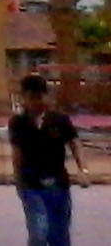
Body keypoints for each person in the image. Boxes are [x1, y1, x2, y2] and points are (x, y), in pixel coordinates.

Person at [9, 72, 89, 246]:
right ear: (24, 98)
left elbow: (74, 143)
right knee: (39, 232)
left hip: (59, 185)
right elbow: (17, 153)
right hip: (32, 185)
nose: (38, 102)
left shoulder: (60, 120)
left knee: (59, 236)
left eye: (41, 96)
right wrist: (18, 181)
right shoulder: (18, 123)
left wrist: (82, 169)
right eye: (32, 97)